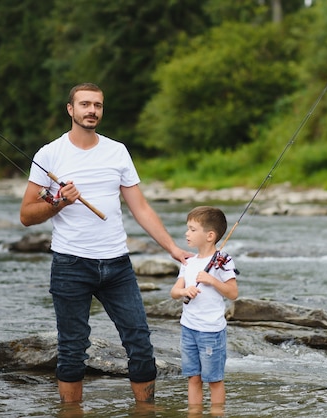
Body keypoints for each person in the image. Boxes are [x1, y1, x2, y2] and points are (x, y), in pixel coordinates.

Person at [19, 82, 191, 404]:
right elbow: (27, 215)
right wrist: (60, 203)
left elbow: (140, 207)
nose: (91, 111)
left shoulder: (117, 151)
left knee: (139, 342)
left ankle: (145, 411)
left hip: (117, 264)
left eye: (97, 105)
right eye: (84, 104)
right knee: (72, 349)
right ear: (70, 109)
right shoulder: (49, 154)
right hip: (70, 264)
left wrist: (173, 249)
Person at [170, 206, 239, 409]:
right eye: (187, 229)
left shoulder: (223, 261)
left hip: (211, 331)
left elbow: (233, 293)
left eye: (192, 229)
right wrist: (184, 292)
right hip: (188, 328)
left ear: (210, 236)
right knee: (193, 378)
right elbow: (174, 292)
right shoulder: (188, 261)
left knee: (214, 380)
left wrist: (212, 280)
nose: (186, 233)